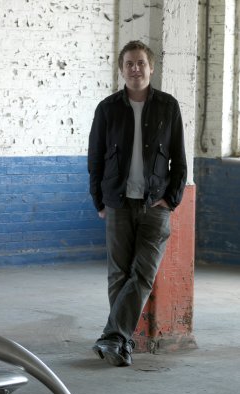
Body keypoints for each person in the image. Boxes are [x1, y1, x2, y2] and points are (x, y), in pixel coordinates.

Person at [87, 40, 187, 366]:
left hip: (155, 205)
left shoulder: (168, 107)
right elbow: (95, 159)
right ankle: (121, 343)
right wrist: (99, 201)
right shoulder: (107, 109)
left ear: (151, 67)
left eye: (141, 62)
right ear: (121, 69)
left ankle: (112, 337)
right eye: (129, 63)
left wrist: (171, 199)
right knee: (118, 276)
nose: (135, 68)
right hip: (117, 202)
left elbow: (179, 160)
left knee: (142, 274)